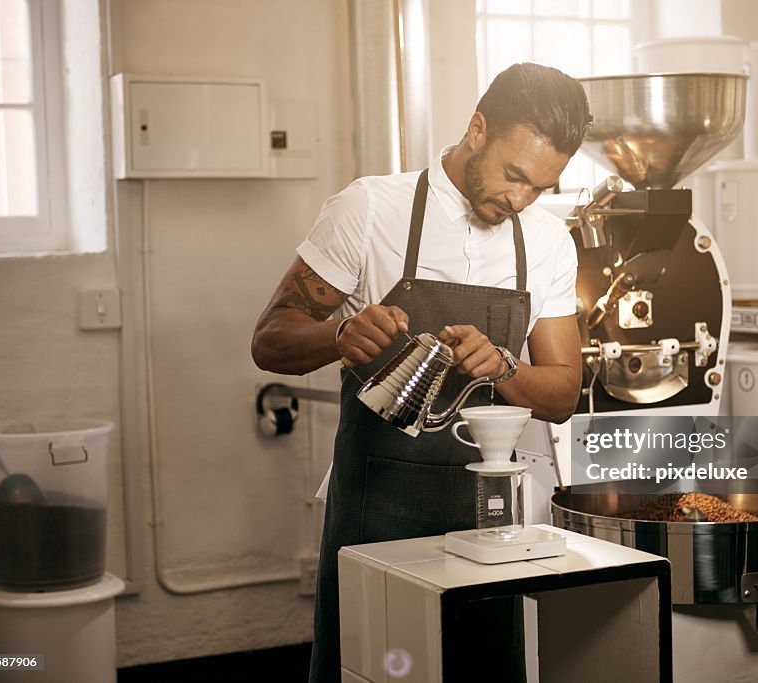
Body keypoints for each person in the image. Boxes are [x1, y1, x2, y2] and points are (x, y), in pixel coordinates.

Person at [251, 62, 592, 683]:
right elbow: (269, 340)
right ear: (477, 129)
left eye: (540, 187)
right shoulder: (370, 209)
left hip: (490, 515)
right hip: (374, 505)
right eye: (515, 175)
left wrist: (505, 369)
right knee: (370, 668)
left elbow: (564, 392)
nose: (519, 199)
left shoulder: (545, 242)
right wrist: (339, 334)